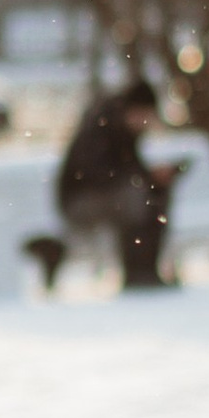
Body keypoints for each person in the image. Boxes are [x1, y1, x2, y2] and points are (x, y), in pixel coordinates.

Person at [56, 71, 177, 289]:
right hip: (80, 202)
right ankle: (137, 272)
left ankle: (147, 268)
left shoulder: (122, 127)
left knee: (153, 194)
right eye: (143, 116)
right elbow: (96, 173)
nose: (144, 123)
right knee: (137, 198)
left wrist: (152, 178)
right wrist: (142, 178)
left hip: (108, 197)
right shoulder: (101, 125)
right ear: (131, 109)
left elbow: (128, 168)